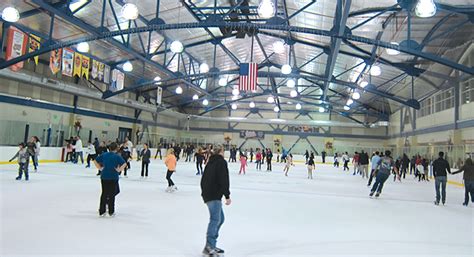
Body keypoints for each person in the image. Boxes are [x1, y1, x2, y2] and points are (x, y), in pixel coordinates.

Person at [200, 145, 231, 256]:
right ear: (221, 152)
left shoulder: (210, 162)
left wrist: (204, 193)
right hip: (214, 195)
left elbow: (203, 179)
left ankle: (211, 245)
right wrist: (227, 195)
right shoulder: (221, 162)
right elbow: (224, 179)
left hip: (209, 195)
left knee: (220, 219)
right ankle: (209, 246)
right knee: (215, 220)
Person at [94, 142, 126, 217]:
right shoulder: (117, 156)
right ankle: (111, 211)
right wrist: (119, 170)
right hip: (113, 177)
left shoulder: (104, 155)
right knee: (111, 194)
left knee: (104, 193)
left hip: (104, 176)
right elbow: (124, 163)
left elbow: (95, 160)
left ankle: (102, 211)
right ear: (116, 149)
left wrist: (100, 168)